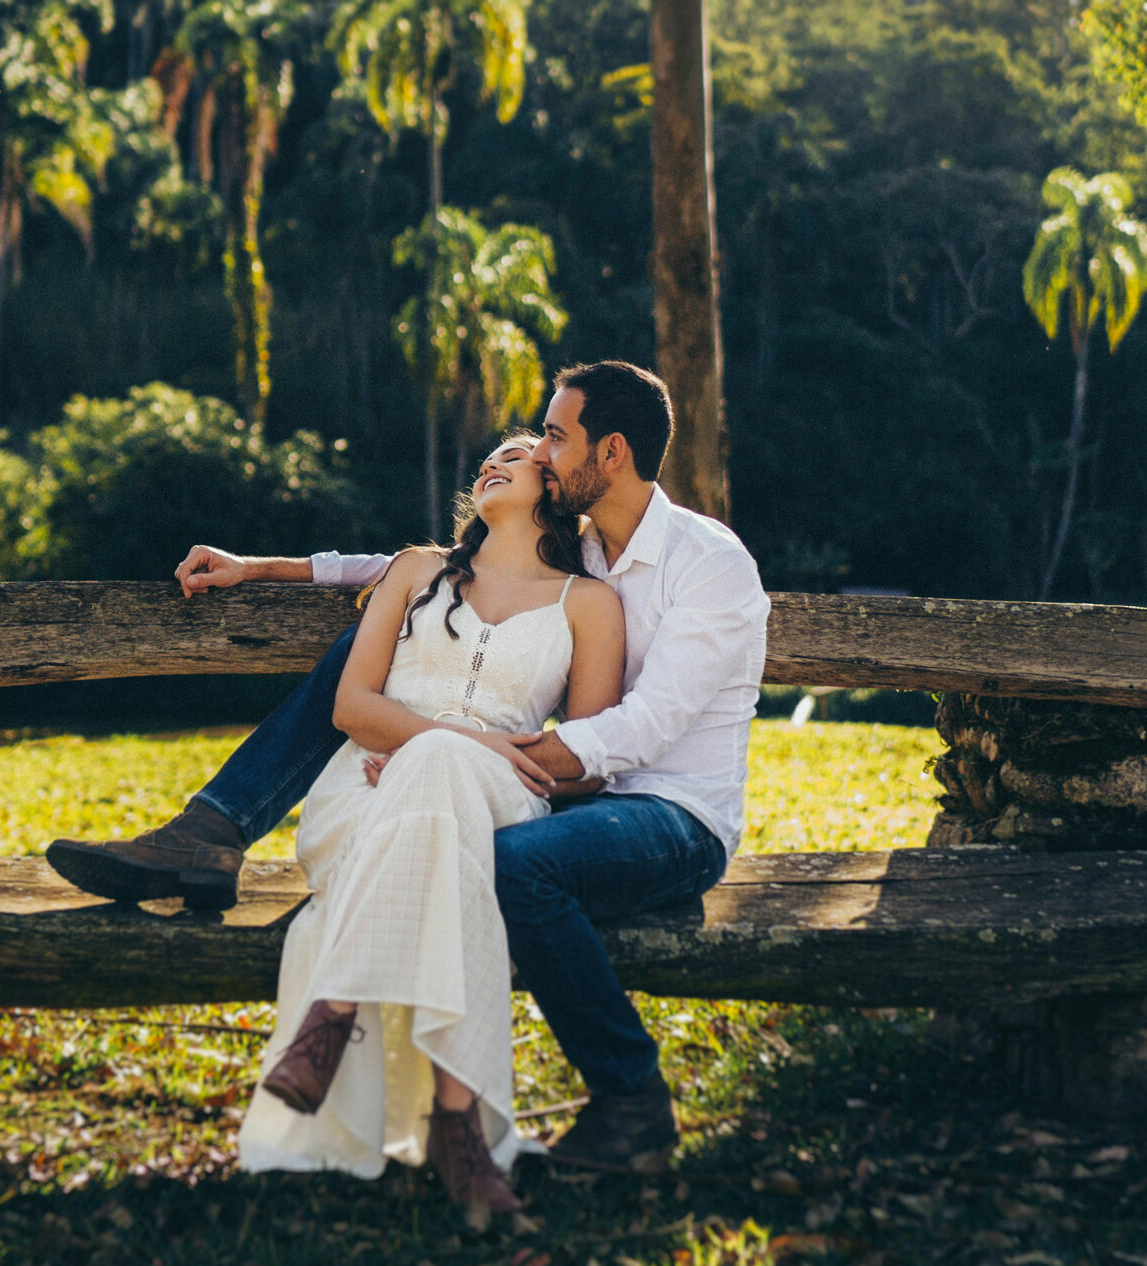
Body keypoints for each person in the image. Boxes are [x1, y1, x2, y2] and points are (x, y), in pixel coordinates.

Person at [45, 360, 771, 1172]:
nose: (539, 450)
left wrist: (444, 751)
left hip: (668, 814)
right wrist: (263, 567)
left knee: (508, 869)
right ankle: (213, 832)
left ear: (610, 453)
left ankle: (630, 1099)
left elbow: (649, 724)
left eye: (556, 438)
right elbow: (428, 567)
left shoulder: (710, 563)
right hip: (553, 789)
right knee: (372, 646)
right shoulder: (585, 541)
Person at [233, 432, 624, 1217]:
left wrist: (440, 752)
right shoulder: (418, 571)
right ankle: (459, 1126)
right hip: (365, 789)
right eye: (489, 456)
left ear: (554, 481)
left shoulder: (590, 604)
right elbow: (351, 708)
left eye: (516, 454)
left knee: (441, 776)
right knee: (440, 786)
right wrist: (442, 743)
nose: (492, 462)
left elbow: (585, 753)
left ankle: (331, 1014)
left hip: (506, 798)